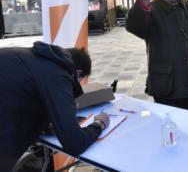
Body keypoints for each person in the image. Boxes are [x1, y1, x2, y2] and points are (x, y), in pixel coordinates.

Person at [0, 42, 109, 172]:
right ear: (78, 73)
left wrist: (46, 125)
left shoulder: (34, 58)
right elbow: (74, 143)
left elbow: (22, 95)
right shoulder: (58, 75)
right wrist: (99, 124)